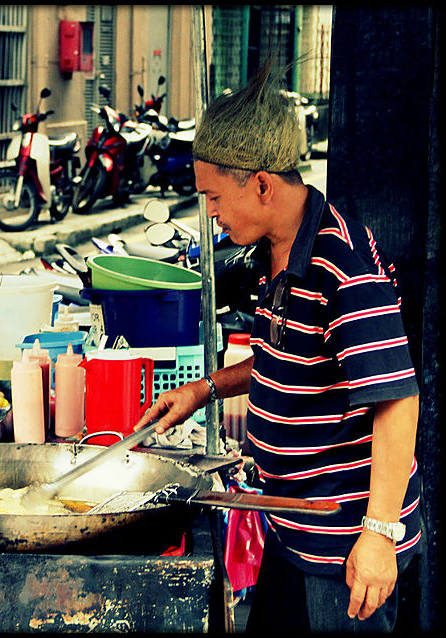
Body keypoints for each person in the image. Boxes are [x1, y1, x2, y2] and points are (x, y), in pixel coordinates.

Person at [134, 62, 421, 632]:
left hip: (345, 543)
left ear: (261, 184)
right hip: (290, 523)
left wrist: (379, 535)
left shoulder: (341, 264)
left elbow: (397, 400)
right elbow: (283, 354)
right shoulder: (279, 250)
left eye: (214, 197)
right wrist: (203, 390)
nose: (211, 212)